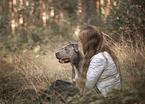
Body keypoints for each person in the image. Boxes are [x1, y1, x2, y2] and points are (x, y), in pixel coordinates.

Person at [78, 25, 122, 97]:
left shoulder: (99, 59)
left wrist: (76, 80)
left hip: (105, 97)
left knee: (58, 84)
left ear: (89, 43)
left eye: (82, 41)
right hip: (107, 94)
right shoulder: (105, 53)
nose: (81, 44)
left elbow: (87, 86)